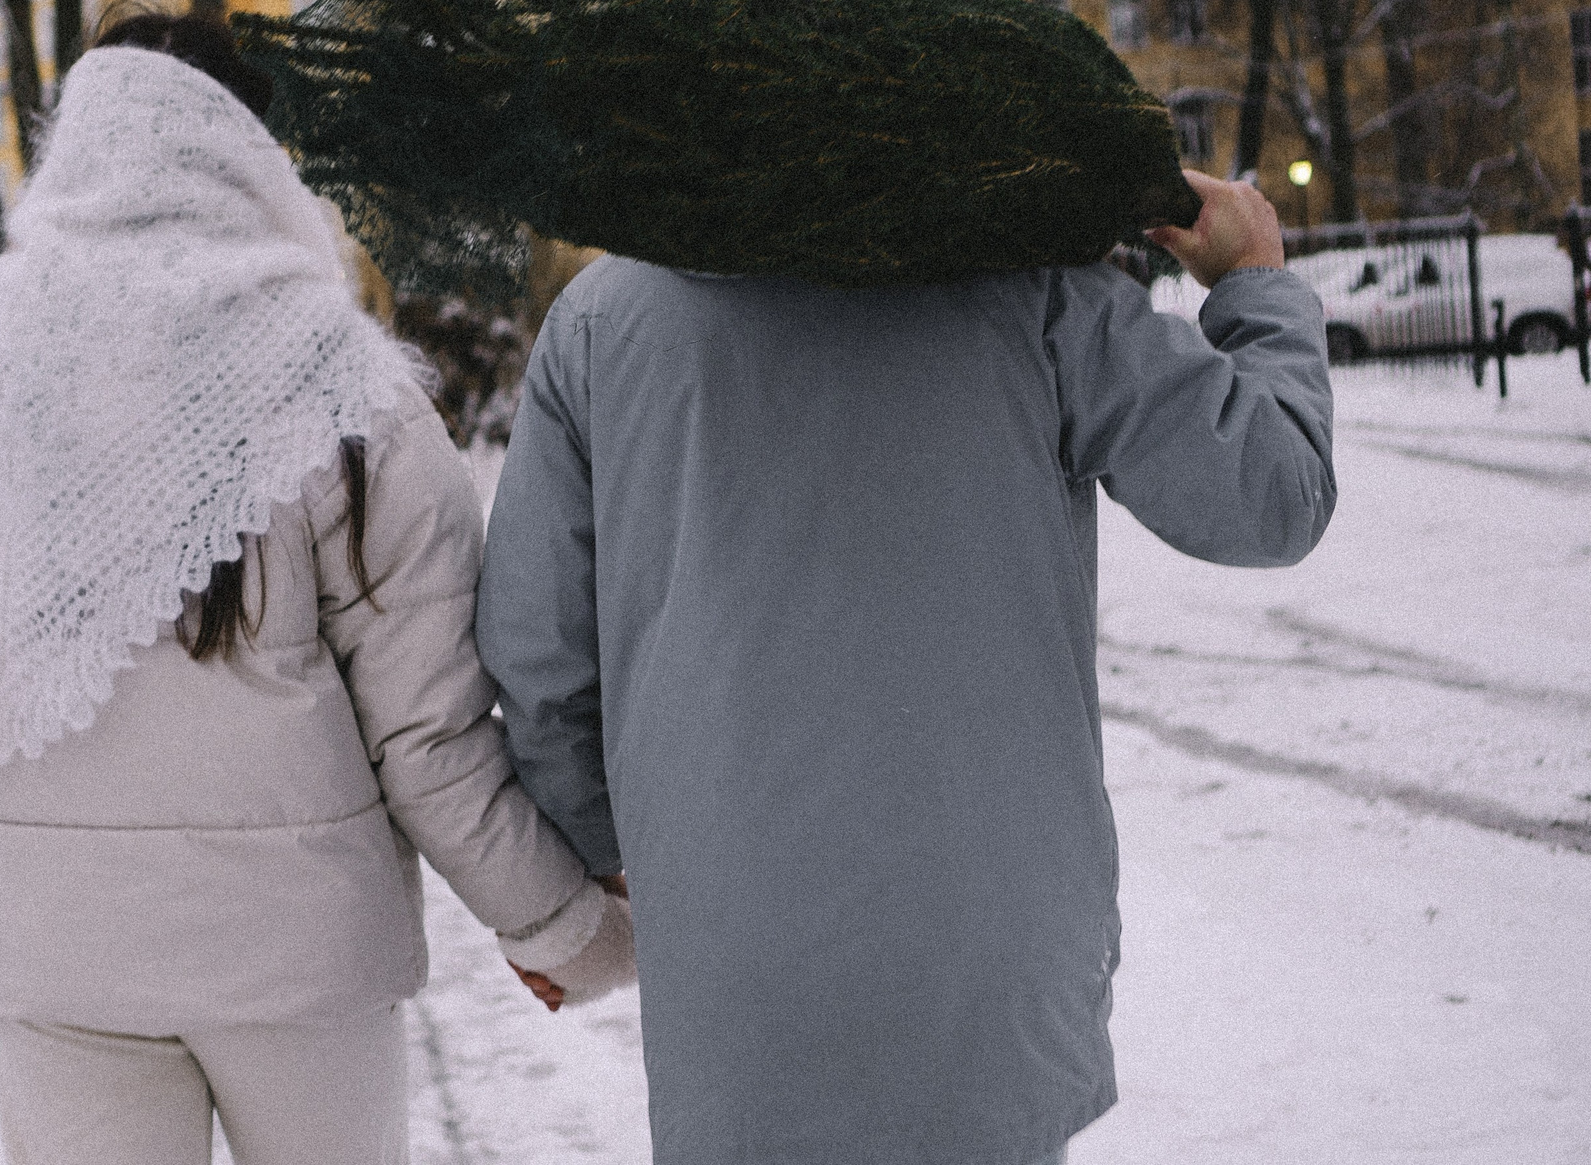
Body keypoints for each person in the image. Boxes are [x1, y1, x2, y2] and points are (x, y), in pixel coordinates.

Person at [476, 100, 1336, 1154]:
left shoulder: (602, 320)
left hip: (738, 956)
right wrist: (1250, 283)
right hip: (991, 947)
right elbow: (1270, 496)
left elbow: (537, 653)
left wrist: (602, 858)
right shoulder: (1040, 297)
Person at [0, 13, 636, 1165]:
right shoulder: (333, 378)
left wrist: (38, 872)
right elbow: (427, 736)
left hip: (58, 961)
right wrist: (563, 928)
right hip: (295, 962)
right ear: (247, 154)